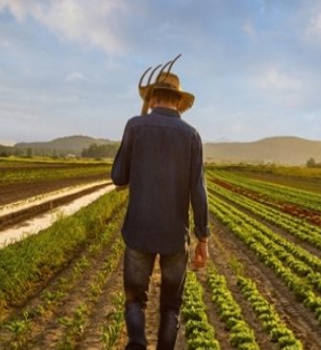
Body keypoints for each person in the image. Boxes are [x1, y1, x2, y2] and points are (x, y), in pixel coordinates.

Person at [111, 61, 210, 350]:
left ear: (152, 98)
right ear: (179, 102)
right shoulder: (191, 135)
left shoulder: (134, 125)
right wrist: (202, 238)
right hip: (174, 237)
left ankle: (137, 345)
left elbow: (118, 176)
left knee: (134, 301)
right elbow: (198, 191)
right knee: (171, 307)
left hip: (138, 231)